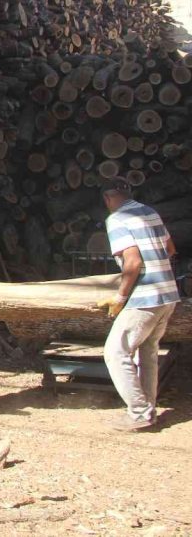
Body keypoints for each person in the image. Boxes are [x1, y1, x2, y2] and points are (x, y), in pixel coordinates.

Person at [99, 177, 178, 432]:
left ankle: (139, 412)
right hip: (168, 294)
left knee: (115, 351)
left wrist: (120, 297)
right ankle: (148, 410)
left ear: (107, 199)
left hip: (145, 298)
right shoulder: (149, 212)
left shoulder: (117, 219)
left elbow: (132, 263)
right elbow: (170, 248)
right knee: (148, 352)